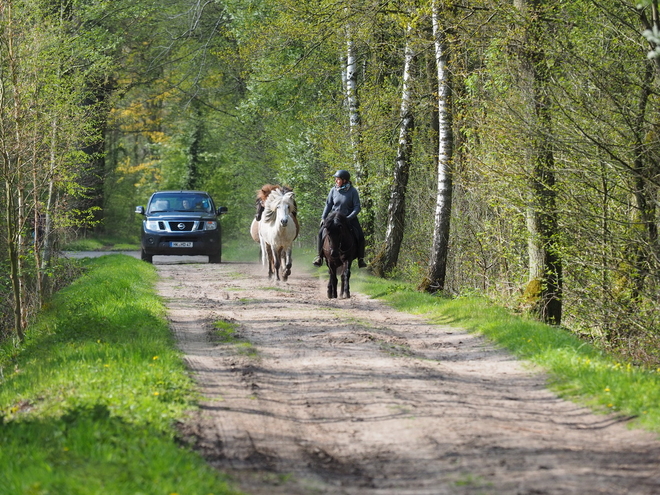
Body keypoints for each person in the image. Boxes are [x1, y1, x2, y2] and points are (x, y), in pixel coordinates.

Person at [312, 169, 367, 268]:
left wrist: (349, 218)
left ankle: (361, 259)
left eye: (338, 179)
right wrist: (323, 217)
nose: (336, 181)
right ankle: (319, 257)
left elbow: (357, 207)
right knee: (321, 232)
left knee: (360, 235)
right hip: (334, 219)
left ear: (344, 180)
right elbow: (328, 204)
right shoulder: (333, 190)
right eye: (336, 179)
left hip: (349, 218)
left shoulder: (353, 191)